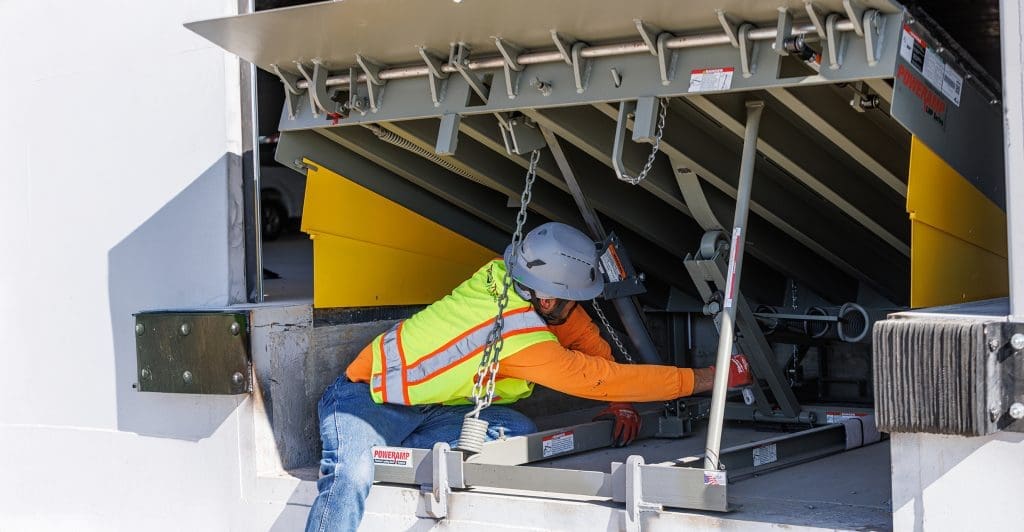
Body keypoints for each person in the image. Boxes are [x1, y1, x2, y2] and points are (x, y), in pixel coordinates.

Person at [305, 222, 752, 532]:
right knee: (350, 472)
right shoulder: (521, 337)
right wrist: (706, 378)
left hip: (433, 410)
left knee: (517, 431)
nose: (573, 307)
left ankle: (393, 453)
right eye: (569, 298)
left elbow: (583, 335)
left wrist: (620, 404)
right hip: (367, 401)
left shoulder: (506, 276)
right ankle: (373, 452)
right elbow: (596, 376)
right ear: (545, 295)